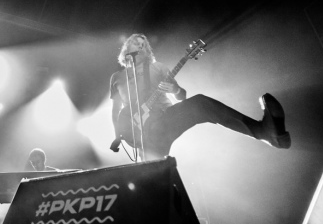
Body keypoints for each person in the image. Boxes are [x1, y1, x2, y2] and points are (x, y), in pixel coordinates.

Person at [109, 33, 290, 161]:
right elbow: (116, 109)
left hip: (164, 120)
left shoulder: (158, 68)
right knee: (151, 175)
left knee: (200, 103)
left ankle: (265, 132)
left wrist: (174, 89)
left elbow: (182, 96)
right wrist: (119, 135)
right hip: (138, 132)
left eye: (143, 44)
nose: (140, 46)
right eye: (136, 43)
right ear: (127, 47)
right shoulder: (117, 78)